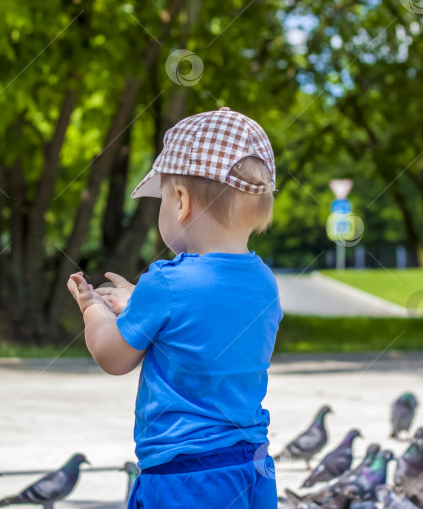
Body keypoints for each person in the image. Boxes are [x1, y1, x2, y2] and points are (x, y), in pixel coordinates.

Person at [66, 107, 282, 509]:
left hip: (184, 474)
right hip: (251, 465)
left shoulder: (164, 282)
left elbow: (113, 357)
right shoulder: (264, 282)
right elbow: (204, 322)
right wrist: (139, 304)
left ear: (180, 200)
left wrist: (93, 308)